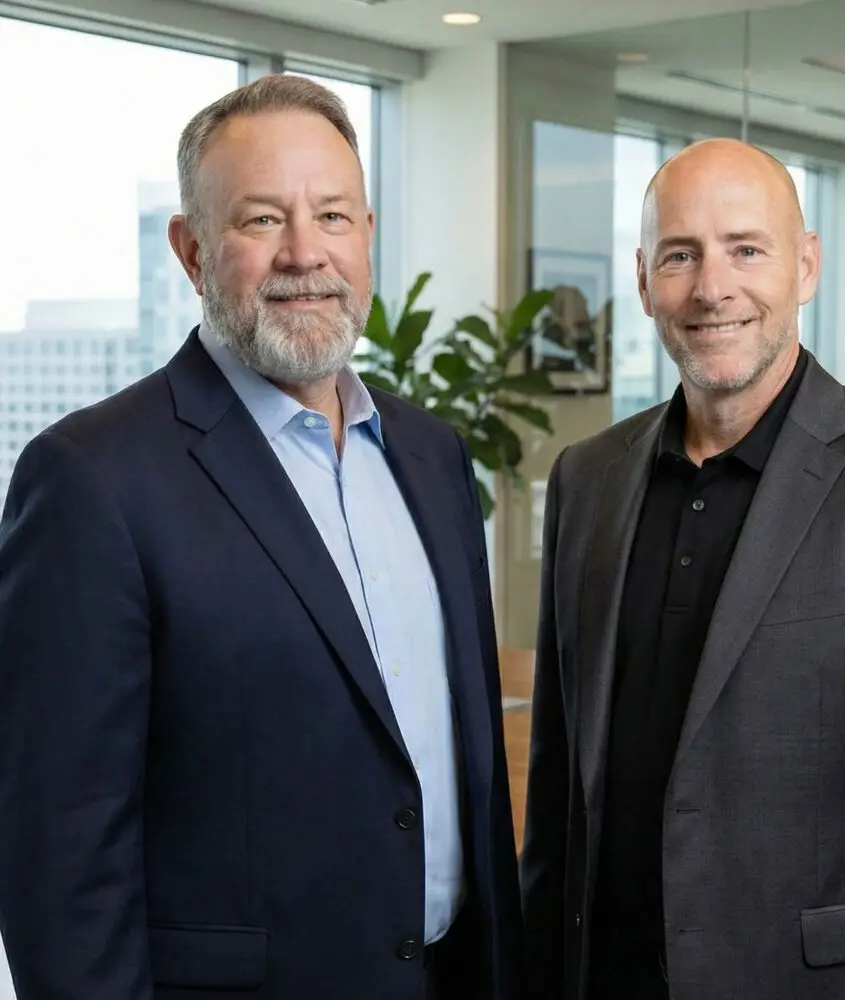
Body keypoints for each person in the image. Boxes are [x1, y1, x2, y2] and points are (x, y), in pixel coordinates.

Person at [0, 74, 522, 1000]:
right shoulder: (91, 479)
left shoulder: (433, 457)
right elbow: (59, 858)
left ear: (368, 236)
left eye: (332, 215)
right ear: (191, 250)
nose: (304, 254)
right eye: (260, 220)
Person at [520, 137, 845, 1000]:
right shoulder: (586, 479)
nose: (712, 287)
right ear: (642, 279)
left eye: (747, 249)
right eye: (680, 255)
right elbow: (560, 802)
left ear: (806, 267)